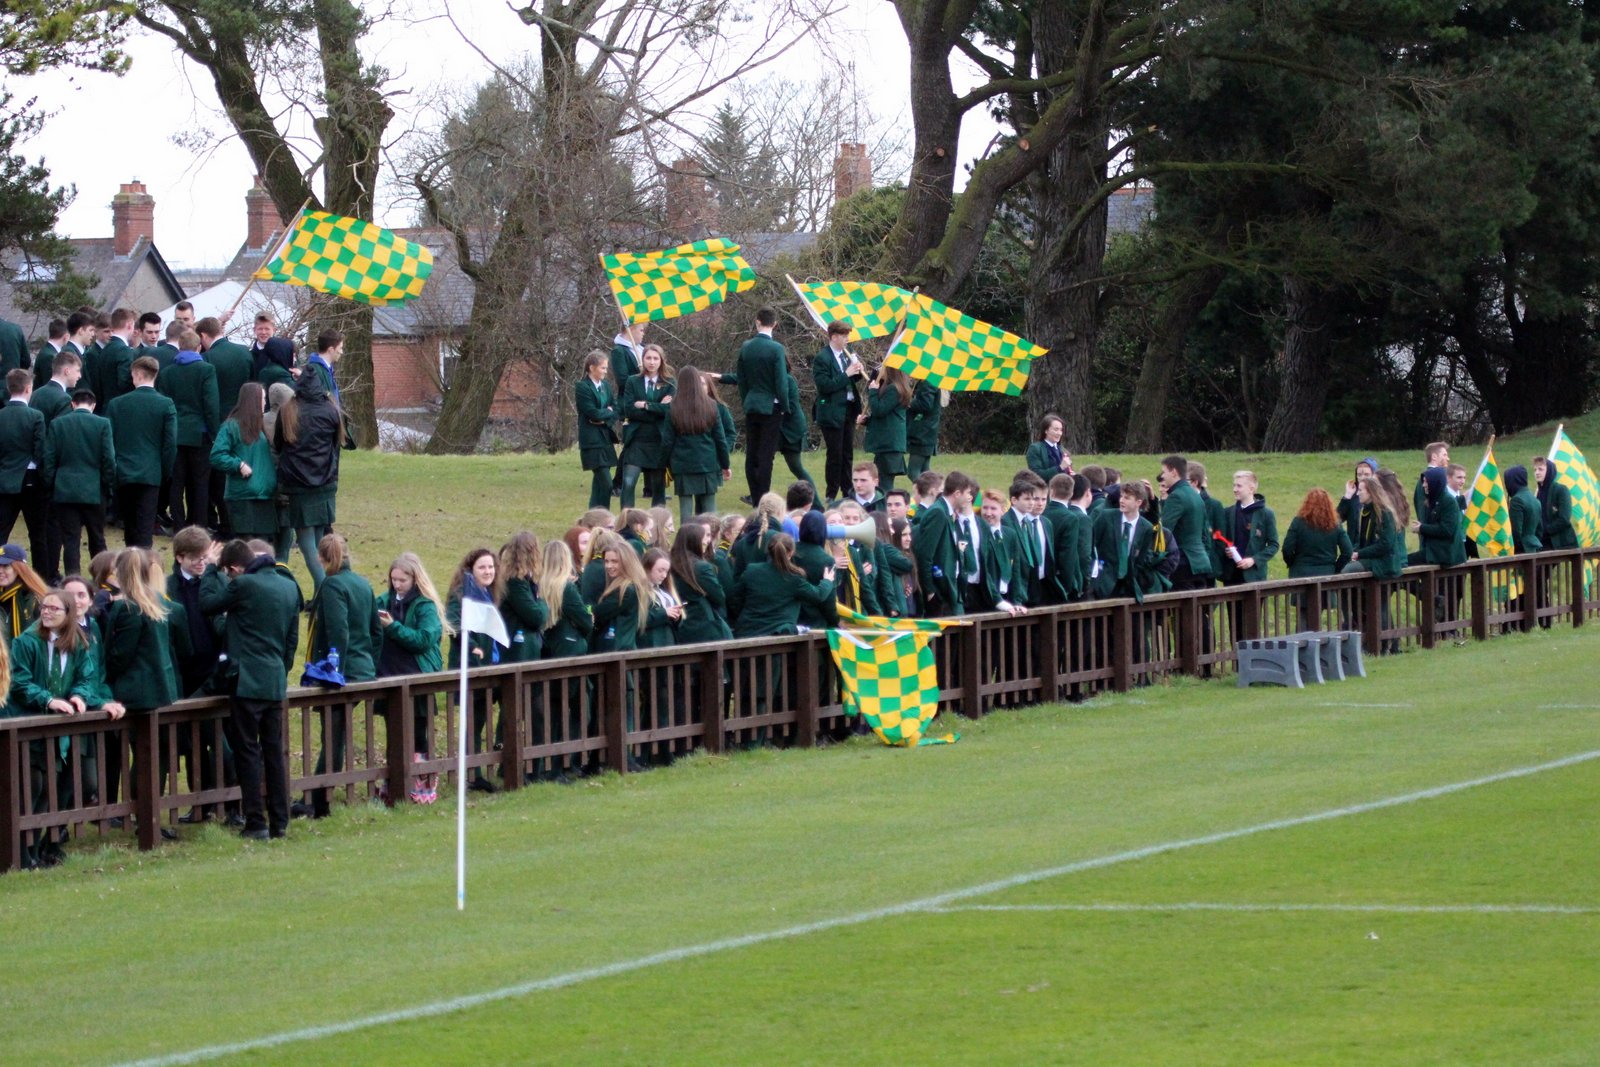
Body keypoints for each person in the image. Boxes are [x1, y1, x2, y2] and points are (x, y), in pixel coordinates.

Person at [9, 586, 126, 866]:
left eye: (54, 608)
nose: (47, 613)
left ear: (68, 613)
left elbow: (87, 677)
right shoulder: (26, 642)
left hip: (59, 729)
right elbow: (20, 682)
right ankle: (21, 853)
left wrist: (79, 696)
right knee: (32, 789)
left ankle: (35, 850)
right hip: (29, 725)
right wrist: (48, 700)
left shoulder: (79, 643)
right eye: (44, 607)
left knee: (53, 790)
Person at [218, 537, 301, 840]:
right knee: (274, 752)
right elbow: (292, 639)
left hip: (248, 681)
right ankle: (280, 821)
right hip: (274, 678)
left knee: (248, 751)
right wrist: (281, 668)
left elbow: (208, 605)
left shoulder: (244, 585)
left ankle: (256, 821)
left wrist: (214, 570)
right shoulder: (289, 586)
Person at [103, 547, 186, 838]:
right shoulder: (156, 602)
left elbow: (119, 655)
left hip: (134, 692)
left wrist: (106, 678)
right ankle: (148, 818)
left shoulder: (127, 607)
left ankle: (143, 818)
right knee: (154, 756)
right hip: (160, 689)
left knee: (145, 756)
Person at [297, 534, 379, 819]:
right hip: (363, 669)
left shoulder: (332, 585)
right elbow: (376, 631)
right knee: (336, 734)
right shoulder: (363, 583)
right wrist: (370, 663)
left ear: (321, 559)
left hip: (341, 672)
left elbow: (338, 631)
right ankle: (320, 798)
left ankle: (317, 800)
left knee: (332, 736)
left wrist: (335, 671)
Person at [375, 552, 447, 803]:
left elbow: (424, 640)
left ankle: (422, 789)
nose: (397, 584)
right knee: (394, 735)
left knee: (418, 734)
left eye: (402, 580)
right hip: (389, 676)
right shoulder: (383, 601)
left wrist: (392, 627)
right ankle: (394, 788)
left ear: (415, 579)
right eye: (393, 579)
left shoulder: (425, 606)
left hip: (417, 678)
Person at [273, 369, 344, 589]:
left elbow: (278, 444)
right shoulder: (332, 409)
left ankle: (323, 590)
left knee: (306, 543)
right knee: (320, 539)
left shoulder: (288, 411)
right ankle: (322, 590)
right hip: (325, 482)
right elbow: (337, 444)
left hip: (298, 484)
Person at [447, 548, 507, 792]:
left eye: (491, 567)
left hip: (489, 667)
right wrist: (471, 646)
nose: (488, 571)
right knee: (471, 721)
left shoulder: (490, 593)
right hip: (470, 666)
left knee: (480, 720)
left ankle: (476, 773)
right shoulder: (461, 594)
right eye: (482, 567)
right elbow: (453, 623)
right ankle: (472, 774)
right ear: (471, 569)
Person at [42, 389, 115, 579]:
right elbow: (108, 459)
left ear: (72, 404)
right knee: (97, 537)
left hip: (65, 490)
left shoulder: (58, 424)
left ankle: (72, 581)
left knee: (70, 541)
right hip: (94, 490)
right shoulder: (102, 424)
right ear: (93, 405)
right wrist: (107, 485)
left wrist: (51, 485)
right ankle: (102, 579)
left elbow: (49, 460)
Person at [107, 357, 177, 548]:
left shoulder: (117, 404)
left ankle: (131, 562)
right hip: (151, 472)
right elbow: (170, 444)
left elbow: (109, 441)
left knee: (130, 528)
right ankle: (144, 563)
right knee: (145, 528)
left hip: (123, 471)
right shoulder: (166, 404)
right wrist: (164, 471)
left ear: (137, 374)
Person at [155, 329, 220, 531]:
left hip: (175, 433)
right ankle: (198, 526)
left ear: (180, 347)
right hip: (199, 434)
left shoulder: (167, 373)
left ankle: (178, 525)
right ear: (198, 347)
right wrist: (214, 433)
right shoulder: (206, 370)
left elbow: (163, 404)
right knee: (200, 483)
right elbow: (211, 404)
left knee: (177, 483)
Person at [727, 307, 789, 503]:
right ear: (775, 324)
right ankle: (762, 497)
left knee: (752, 452)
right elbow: (781, 382)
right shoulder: (776, 349)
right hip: (771, 406)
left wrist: (747, 399)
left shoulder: (746, 346)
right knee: (766, 454)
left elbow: (742, 379)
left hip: (752, 403)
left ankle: (754, 495)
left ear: (757, 322)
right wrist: (785, 406)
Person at [660, 364, 731, 522]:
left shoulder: (673, 407)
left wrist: (662, 465)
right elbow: (720, 439)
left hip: (682, 465)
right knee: (710, 512)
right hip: (707, 463)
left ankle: (686, 537)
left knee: (685, 511)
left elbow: (667, 441)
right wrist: (725, 465)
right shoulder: (712, 405)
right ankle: (711, 537)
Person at [209, 382, 278, 543]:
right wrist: (238, 465)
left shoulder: (261, 426)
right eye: (262, 398)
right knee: (246, 546)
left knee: (264, 546)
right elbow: (217, 455)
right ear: (253, 400)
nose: (265, 402)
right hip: (242, 497)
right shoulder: (231, 426)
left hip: (264, 496)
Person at [729, 533, 835, 636]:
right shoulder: (793, 577)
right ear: (791, 553)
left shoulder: (751, 570)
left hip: (746, 633)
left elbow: (735, 598)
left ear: (768, 550)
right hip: (777, 636)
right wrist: (827, 581)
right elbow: (818, 595)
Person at [912, 470, 978, 616]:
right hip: (939, 593)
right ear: (957, 494)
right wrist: (930, 591)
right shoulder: (938, 513)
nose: (969, 497)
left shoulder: (946, 512)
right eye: (967, 493)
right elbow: (925, 555)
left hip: (949, 590)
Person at [811, 320, 864, 501]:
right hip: (831, 411)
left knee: (847, 453)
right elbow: (825, 386)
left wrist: (857, 372)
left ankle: (848, 491)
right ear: (834, 337)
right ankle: (831, 493)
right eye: (844, 336)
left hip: (848, 409)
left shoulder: (846, 355)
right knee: (835, 454)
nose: (847, 339)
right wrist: (846, 374)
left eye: (848, 335)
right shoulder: (822, 358)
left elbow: (849, 381)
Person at [0, 368, 47, 568]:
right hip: (31, 480)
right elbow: (40, 450)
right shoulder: (35, 416)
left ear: (8, 388)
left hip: (4, 479)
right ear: (28, 389)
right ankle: (40, 575)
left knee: (2, 532)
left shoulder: (1, 415)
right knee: (38, 534)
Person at [618, 343, 675, 508]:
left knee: (658, 487)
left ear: (661, 361)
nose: (652, 362)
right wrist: (658, 408)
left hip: (659, 441)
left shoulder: (670, 383)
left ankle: (658, 520)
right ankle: (626, 519)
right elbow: (629, 410)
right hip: (636, 439)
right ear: (642, 360)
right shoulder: (632, 381)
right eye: (648, 358)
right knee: (628, 482)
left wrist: (646, 405)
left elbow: (669, 410)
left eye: (656, 358)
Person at [1157, 455, 1215, 590]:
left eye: (1164, 472)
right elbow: (1205, 534)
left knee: (1184, 603)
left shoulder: (1176, 496)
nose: (1162, 476)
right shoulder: (1196, 495)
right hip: (1201, 561)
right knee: (1199, 603)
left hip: (1183, 563)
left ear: (1173, 472)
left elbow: (1164, 532)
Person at [1003, 475, 1058, 606]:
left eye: (1042, 499)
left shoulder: (1040, 523)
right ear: (1014, 500)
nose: (1034, 503)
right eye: (1029, 499)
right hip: (1018, 588)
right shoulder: (1007, 522)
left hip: (1041, 585)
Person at [575, 349, 620, 509]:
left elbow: (616, 408)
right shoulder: (582, 387)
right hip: (591, 441)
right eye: (603, 368)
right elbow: (591, 412)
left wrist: (605, 418)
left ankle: (594, 516)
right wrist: (606, 412)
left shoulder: (606, 386)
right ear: (592, 367)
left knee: (599, 484)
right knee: (607, 484)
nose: (605, 371)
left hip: (605, 438)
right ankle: (603, 516)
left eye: (606, 368)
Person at [1219, 470, 1279, 584]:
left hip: (1254, 577)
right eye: (1234, 485)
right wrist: (1226, 551)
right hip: (1231, 576)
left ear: (1251, 489)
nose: (1234, 489)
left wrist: (1253, 560)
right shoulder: (1227, 512)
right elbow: (1220, 539)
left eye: (1239, 486)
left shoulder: (1266, 514)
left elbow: (1273, 545)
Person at [859, 365, 910, 491]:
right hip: (887, 445)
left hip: (889, 445)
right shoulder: (893, 388)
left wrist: (873, 392)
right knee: (881, 482)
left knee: (884, 485)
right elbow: (885, 417)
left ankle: (886, 504)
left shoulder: (894, 389)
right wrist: (866, 421)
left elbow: (879, 410)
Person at [972, 489, 1024, 614]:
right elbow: (984, 572)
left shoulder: (1010, 534)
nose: (988, 513)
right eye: (985, 508)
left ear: (1003, 510)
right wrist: (998, 601)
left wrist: (1016, 601)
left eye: (993, 509)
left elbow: (1016, 570)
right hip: (984, 600)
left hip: (1006, 600)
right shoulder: (978, 534)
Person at [1282, 488, 1354, 578]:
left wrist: (1292, 564)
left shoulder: (1298, 522)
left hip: (1301, 573)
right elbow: (1348, 551)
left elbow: (1287, 549)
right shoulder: (1335, 524)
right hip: (1327, 574)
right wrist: (1336, 569)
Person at [499, 532, 547, 665]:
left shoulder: (525, 581)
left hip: (524, 651)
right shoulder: (515, 582)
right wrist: (541, 599)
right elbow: (536, 618)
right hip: (518, 652)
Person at [777, 372, 817, 497]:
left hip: (792, 430)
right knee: (763, 460)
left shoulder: (788, 380)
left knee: (796, 467)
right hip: (779, 429)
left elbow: (792, 407)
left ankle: (815, 501)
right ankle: (758, 495)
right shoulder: (768, 377)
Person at [0, 542, 47, 646]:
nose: (0, 571)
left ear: (19, 568)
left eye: (6, 566)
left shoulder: (35, 598)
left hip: (26, 654)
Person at [1534, 456, 1577, 550]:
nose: (1537, 472)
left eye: (1540, 469)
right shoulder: (1538, 494)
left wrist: (1545, 530)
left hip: (1561, 543)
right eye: (1535, 470)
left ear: (1549, 471)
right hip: (1542, 542)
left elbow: (1564, 519)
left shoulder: (1561, 490)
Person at [905, 378, 941, 480]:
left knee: (913, 472)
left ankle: (925, 490)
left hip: (922, 433)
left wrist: (909, 403)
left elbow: (926, 405)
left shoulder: (928, 382)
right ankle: (934, 489)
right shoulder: (927, 382)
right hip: (926, 432)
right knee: (925, 472)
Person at [250, 313, 296, 385]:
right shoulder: (249, 356)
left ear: (274, 330)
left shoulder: (284, 353)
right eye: (260, 329)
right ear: (254, 330)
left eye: (267, 329)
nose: (263, 332)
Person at [1026, 414, 1072, 486]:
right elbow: (1036, 475)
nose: (1059, 433)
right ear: (1046, 430)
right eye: (1056, 429)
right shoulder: (1035, 449)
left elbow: (1068, 473)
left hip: (1065, 490)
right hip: (1046, 490)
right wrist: (1060, 468)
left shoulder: (1064, 451)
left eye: (1061, 430)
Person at [1413, 441, 1449, 522]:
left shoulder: (1426, 478)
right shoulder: (1431, 479)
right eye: (1444, 455)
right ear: (1434, 457)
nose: (1448, 458)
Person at [609, 321, 646, 396]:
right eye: (641, 330)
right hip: (631, 398)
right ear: (631, 329)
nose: (643, 333)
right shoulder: (619, 351)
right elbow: (622, 381)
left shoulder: (644, 348)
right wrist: (643, 377)